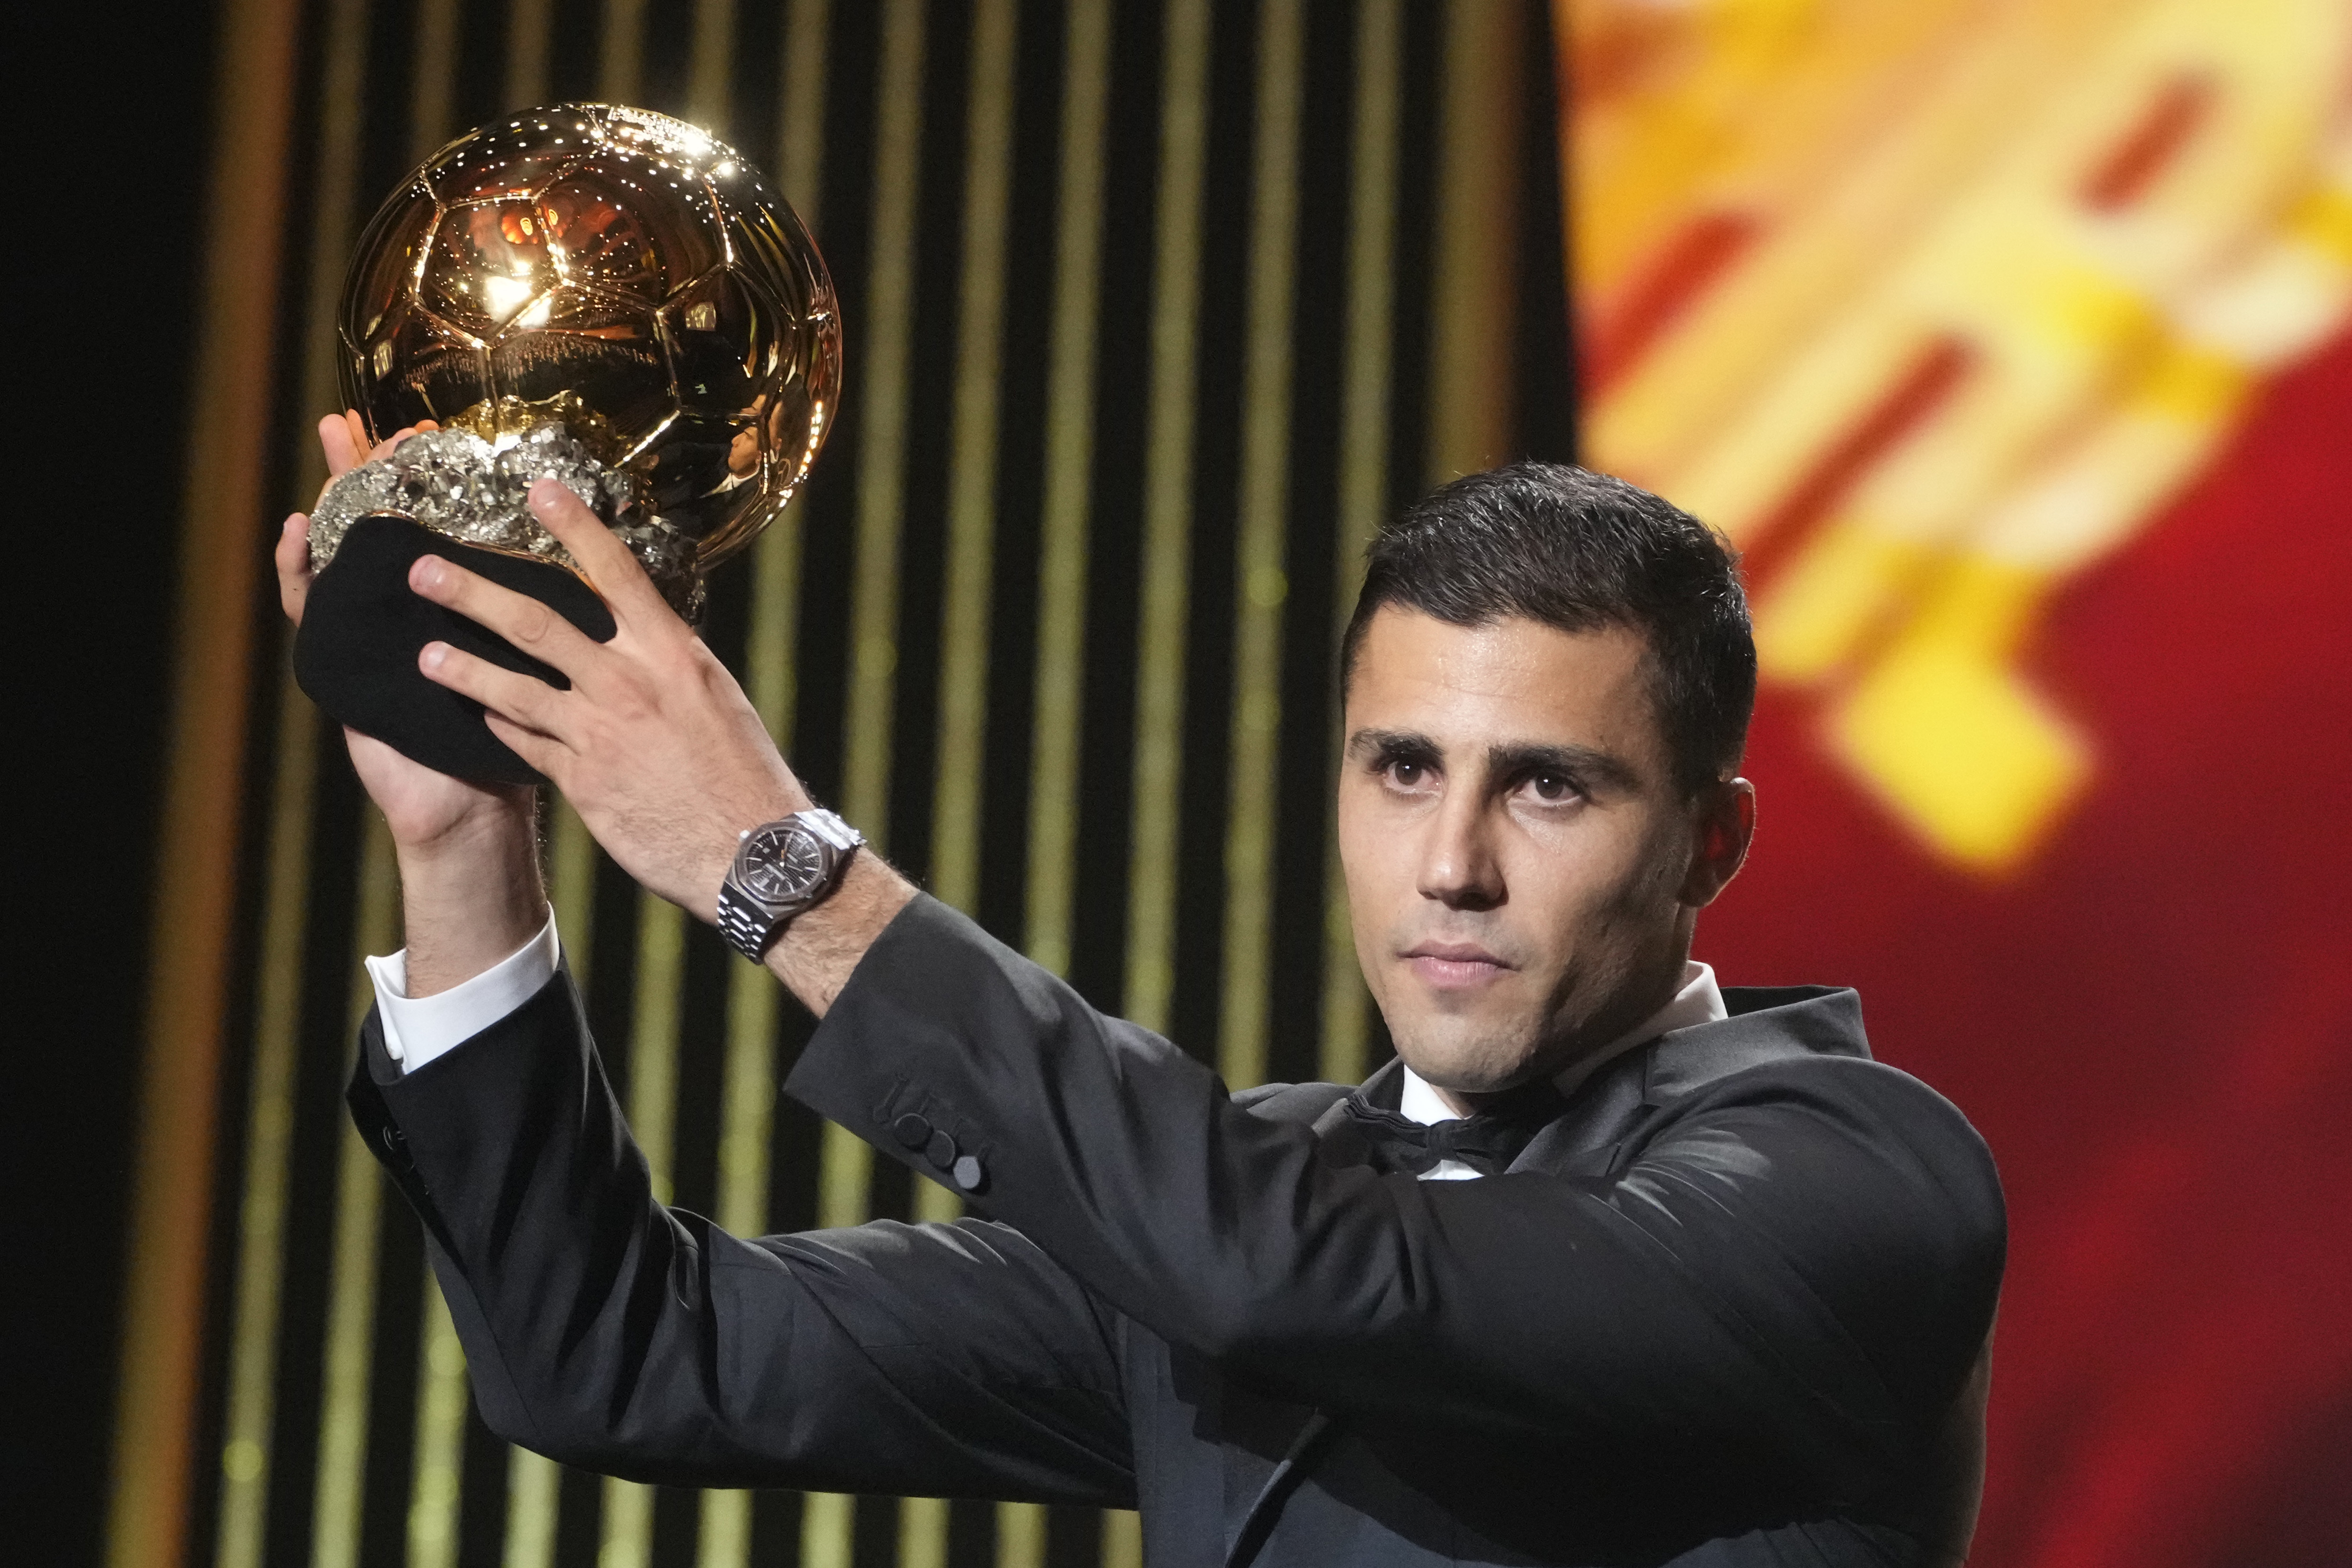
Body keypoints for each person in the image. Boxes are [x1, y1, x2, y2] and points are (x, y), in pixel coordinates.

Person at [275, 428, 2004, 1567]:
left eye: (1549, 786)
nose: (1452, 863)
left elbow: (1297, 1274)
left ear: (1711, 840)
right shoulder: (1222, 1204)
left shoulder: (1858, 1178)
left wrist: (786, 870)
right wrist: (462, 847)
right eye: (1401, 769)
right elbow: (624, 1358)